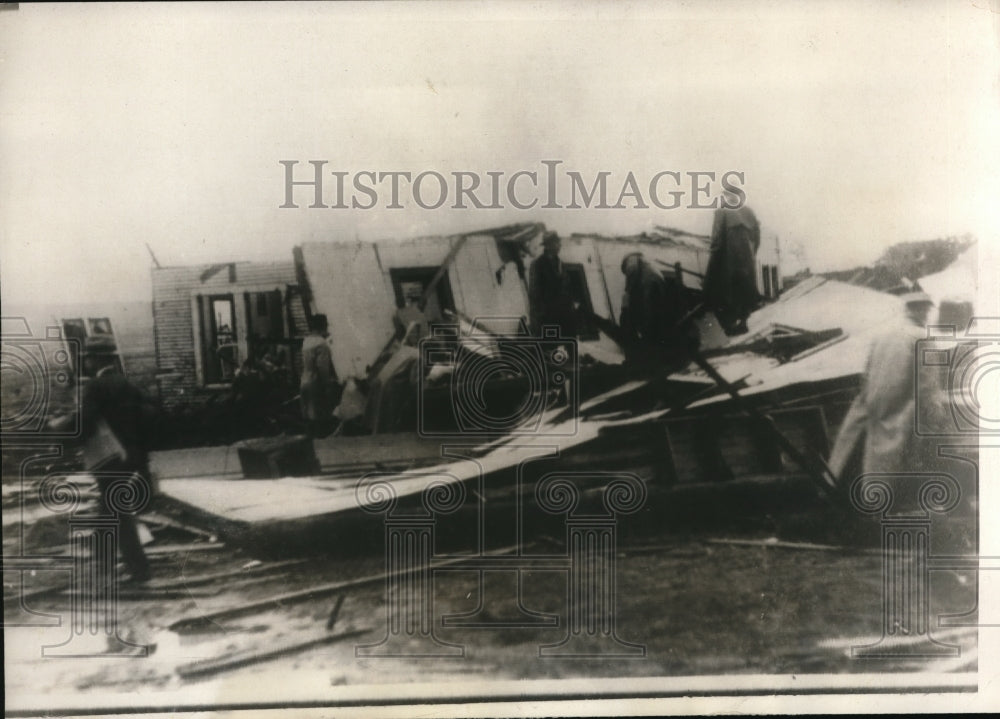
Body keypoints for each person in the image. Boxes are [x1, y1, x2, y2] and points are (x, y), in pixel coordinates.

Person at [828, 292, 938, 482]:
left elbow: (866, 376)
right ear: (921, 310)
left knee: (857, 458)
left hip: (869, 406)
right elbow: (927, 386)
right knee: (890, 466)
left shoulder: (882, 335)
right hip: (899, 410)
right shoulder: (922, 337)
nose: (927, 315)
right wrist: (934, 415)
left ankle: (838, 489)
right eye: (926, 311)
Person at [79, 345, 156, 583]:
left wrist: (63, 433)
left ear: (95, 359)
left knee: (117, 513)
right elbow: (147, 418)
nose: (86, 363)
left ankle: (139, 570)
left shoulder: (95, 386)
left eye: (88, 359)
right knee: (110, 507)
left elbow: (87, 423)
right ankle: (104, 560)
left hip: (109, 457)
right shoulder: (128, 384)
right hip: (130, 457)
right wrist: (141, 459)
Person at [703, 188, 761, 335]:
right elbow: (757, 239)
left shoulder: (722, 211)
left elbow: (716, 239)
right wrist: (751, 255)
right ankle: (743, 322)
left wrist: (713, 261)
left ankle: (729, 327)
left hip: (728, 262)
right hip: (747, 264)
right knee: (745, 291)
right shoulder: (749, 212)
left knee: (716, 290)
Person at [619, 252, 693, 366]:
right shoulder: (650, 268)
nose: (627, 275)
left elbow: (645, 307)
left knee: (648, 331)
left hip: (652, 306)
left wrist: (627, 295)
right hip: (659, 310)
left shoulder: (633, 264)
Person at [527, 232, 577, 338]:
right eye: (556, 243)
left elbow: (567, 288)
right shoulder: (538, 265)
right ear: (548, 246)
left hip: (564, 316)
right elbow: (534, 294)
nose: (560, 245)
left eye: (559, 242)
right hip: (548, 317)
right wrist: (539, 318)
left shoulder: (560, 264)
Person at [300, 314, 337, 437]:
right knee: (320, 420)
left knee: (309, 419)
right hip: (316, 384)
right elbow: (323, 368)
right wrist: (328, 386)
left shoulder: (307, 341)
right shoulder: (321, 344)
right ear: (323, 326)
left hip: (304, 382)